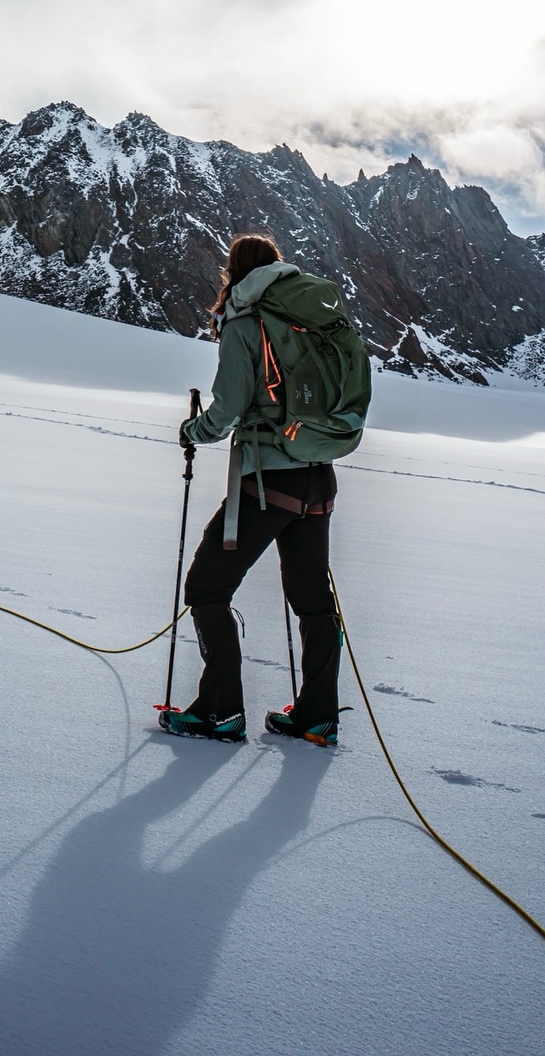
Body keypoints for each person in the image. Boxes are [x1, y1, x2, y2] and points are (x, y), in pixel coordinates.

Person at [158, 234, 345, 747]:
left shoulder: (245, 320)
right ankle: (317, 716)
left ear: (233, 272)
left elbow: (229, 407)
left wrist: (192, 431)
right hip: (319, 477)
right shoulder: (310, 316)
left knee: (206, 588)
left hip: (268, 480)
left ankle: (219, 712)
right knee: (312, 600)